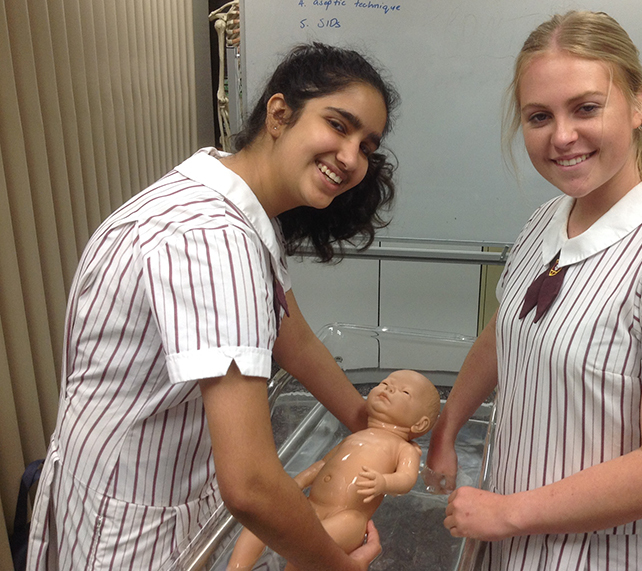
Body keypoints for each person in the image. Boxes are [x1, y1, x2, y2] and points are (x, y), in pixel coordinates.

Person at [27, 42, 399, 571]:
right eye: (338, 126)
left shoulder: (226, 193)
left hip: (127, 485)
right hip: (133, 531)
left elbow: (292, 336)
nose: (350, 157)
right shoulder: (213, 240)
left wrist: (369, 423)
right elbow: (250, 484)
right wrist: (338, 567)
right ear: (279, 114)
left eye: (366, 146)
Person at [424, 11, 642, 571]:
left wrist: (511, 513)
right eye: (539, 116)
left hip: (605, 553)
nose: (562, 136)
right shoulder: (546, 220)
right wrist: (447, 427)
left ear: (639, 104)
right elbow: (506, 332)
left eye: (586, 108)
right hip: (513, 531)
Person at [226, 370, 441, 571]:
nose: (389, 388)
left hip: (347, 517)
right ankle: (237, 566)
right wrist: (297, 483)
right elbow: (322, 464)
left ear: (420, 425)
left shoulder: (404, 448)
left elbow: (407, 479)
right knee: (264, 517)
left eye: (405, 392)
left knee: (315, 547)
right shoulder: (354, 437)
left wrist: (384, 482)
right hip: (310, 504)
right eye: (385, 383)